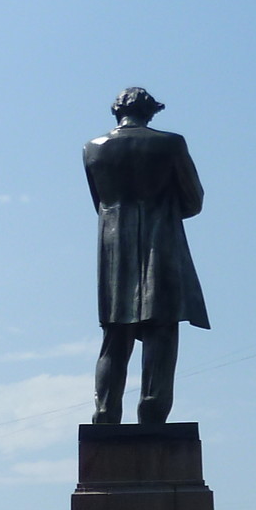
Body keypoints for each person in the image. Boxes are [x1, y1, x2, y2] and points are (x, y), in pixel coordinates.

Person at [85, 87, 208, 425]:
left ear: (116, 111)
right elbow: (194, 200)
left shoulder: (92, 149)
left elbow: (99, 201)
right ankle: (153, 411)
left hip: (114, 246)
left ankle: (106, 411)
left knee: (115, 335)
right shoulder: (171, 144)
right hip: (161, 242)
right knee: (162, 331)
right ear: (151, 111)